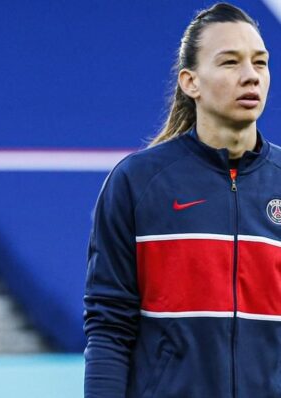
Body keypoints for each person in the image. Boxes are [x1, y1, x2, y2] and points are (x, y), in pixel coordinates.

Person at [84, 3, 276, 397]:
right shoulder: (137, 183)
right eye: (229, 62)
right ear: (191, 82)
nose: (250, 76)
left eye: (260, 62)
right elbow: (109, 327)